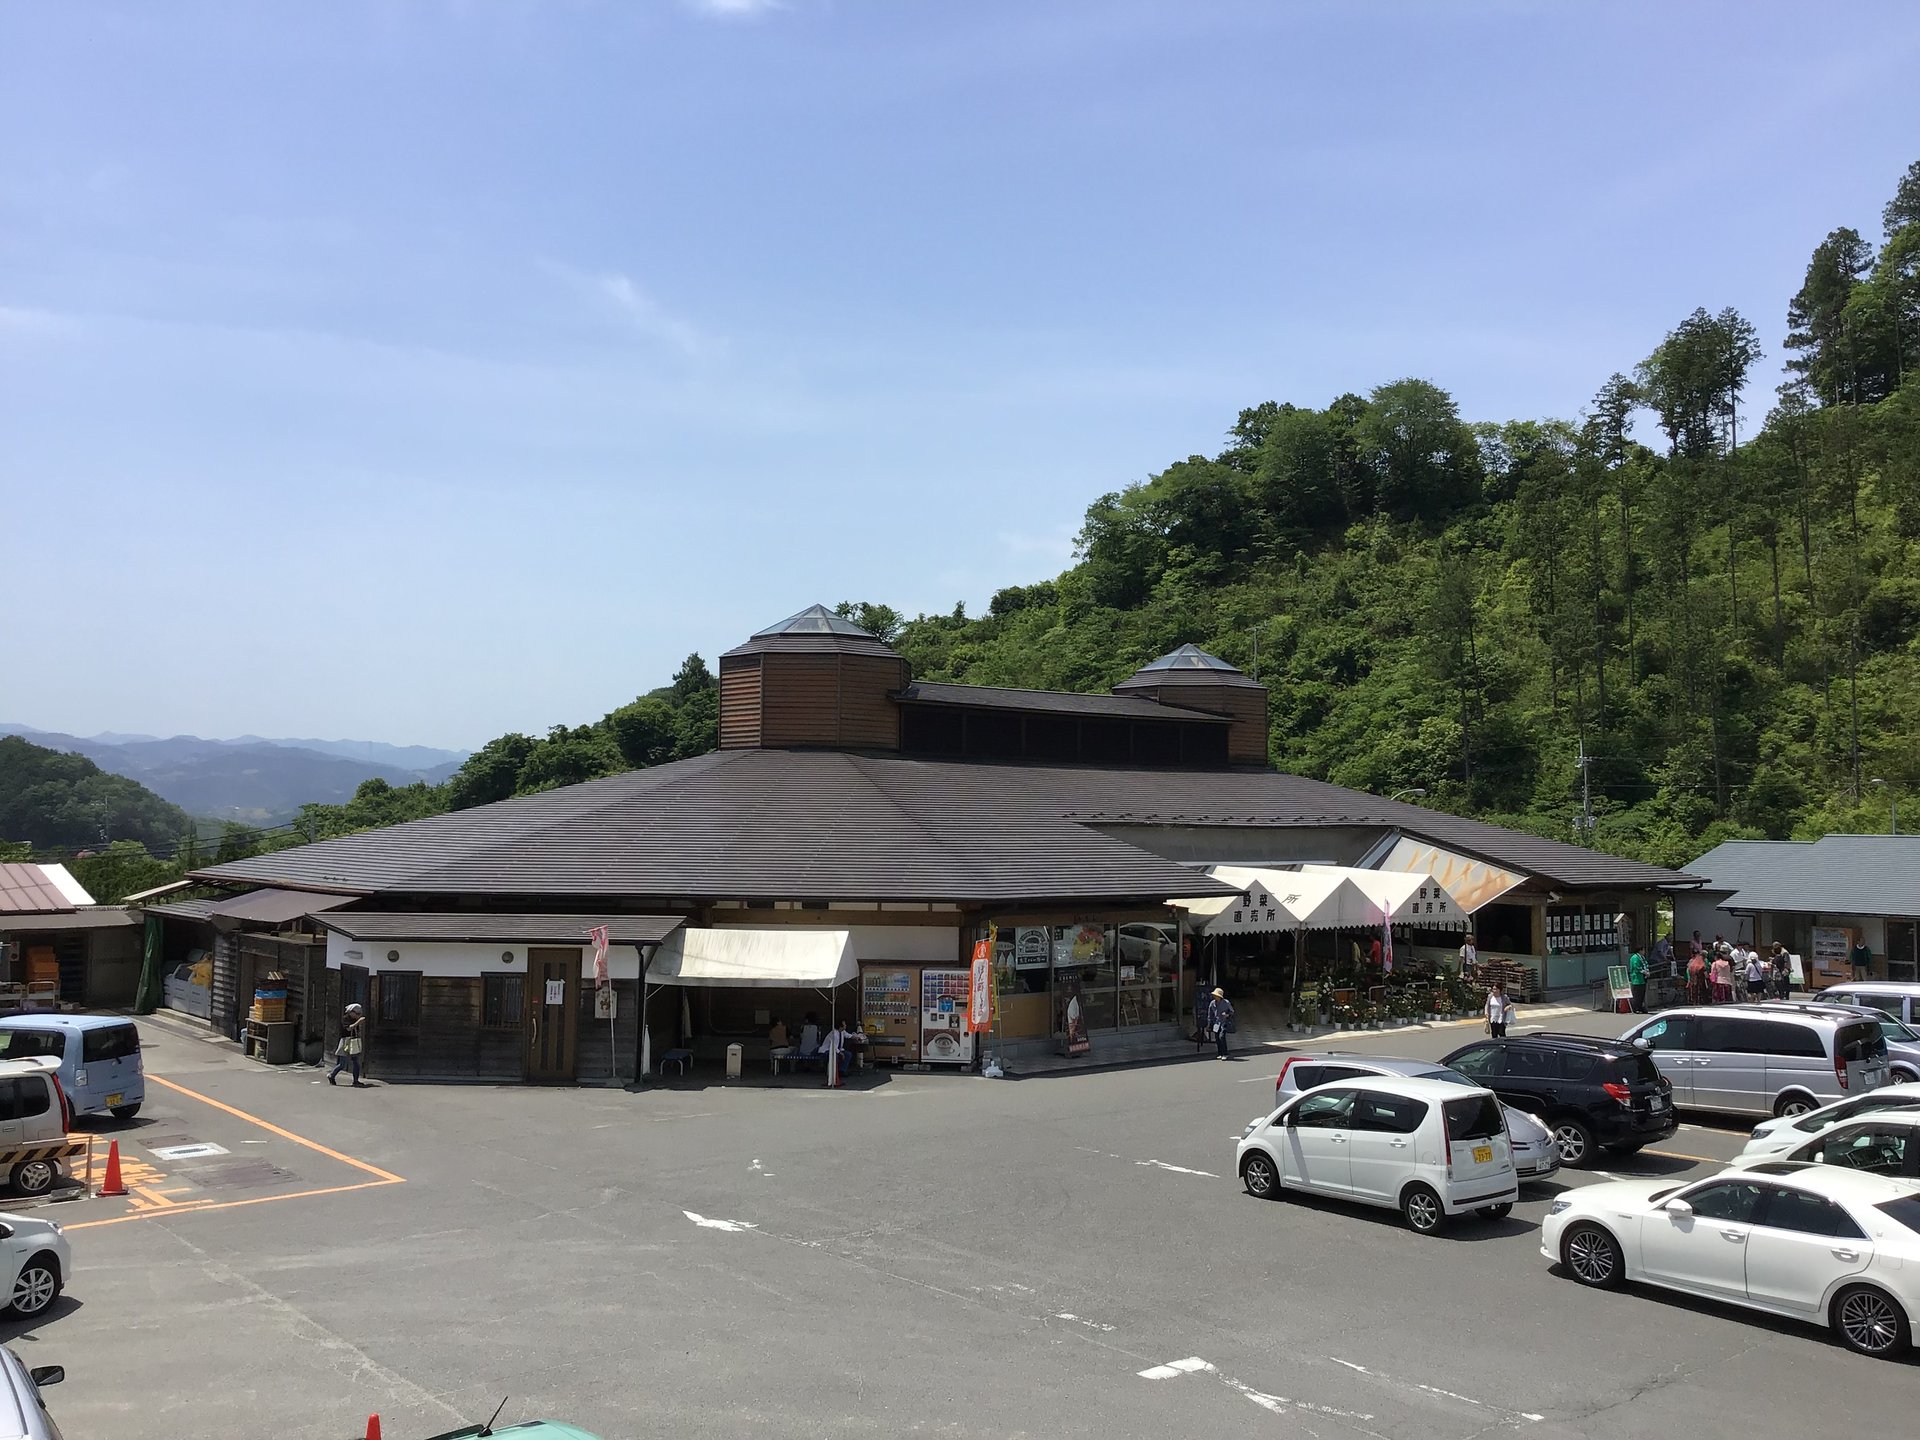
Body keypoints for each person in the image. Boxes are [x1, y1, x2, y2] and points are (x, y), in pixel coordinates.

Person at [328, 1003, 366, 1087]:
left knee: (356, 1062)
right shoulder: (345, 1019)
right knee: (342, 1063)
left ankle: (355, 1080)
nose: (358, 1016)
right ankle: (332, 1075)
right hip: (345, 1041)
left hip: (354, 1041)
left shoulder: (355, 1019)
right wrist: (358, 1022)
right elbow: (348, 1028)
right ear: (351, 1012)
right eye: (357, 1014)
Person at [1207, 987, 1234, 1060]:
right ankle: (1220, 1053)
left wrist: (1227, 1015)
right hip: (1216, 1023)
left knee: (1222, 1036)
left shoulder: (1226, 1002)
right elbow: (1210, 1014)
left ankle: (1225, 1053)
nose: (1215, 996)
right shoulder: (1212, 1003)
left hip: (1224, 1022)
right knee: (1217, 1038)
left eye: (1216, 995)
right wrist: (1209, 1024)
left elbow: (1232, 1011)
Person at [820, 1020, 848, 1087]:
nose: (846, 1025)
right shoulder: (834, 1034)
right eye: (844, 1024)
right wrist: (840, 1053)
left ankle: (841, 1070)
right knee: (836, 1057)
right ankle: (833, 1076)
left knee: (848, 1054)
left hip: (837, 1049)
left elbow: (848, 1035)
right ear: (840, 1026)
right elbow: (834, 1047)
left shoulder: (842, 1032)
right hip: (827, 1050)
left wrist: (855, 1036)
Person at [1627, 947, 1648, 1013]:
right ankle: (1636, 1008)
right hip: (1637, 978)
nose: (1644, 951)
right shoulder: (1635, 957)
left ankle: (1640, 1007)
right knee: (1637, 995)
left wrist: (1647, 971)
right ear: (1640, 950)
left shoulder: (1642, 957)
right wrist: (1644, 972)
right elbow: (1636, 967)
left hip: (1643, 978)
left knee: (1642, 994)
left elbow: (1646, 964)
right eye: (1643, 950)